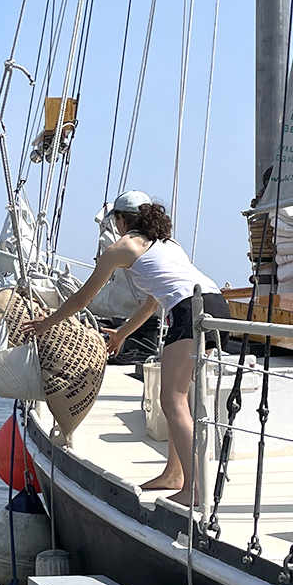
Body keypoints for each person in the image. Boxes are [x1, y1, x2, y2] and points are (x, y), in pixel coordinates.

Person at [29, 193, 231, 508]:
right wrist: (122, 333)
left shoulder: (121, 249)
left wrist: (46, 323)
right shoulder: (168, 244)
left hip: (189, 310)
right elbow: (152, 302)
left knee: (173, 400)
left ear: (121, 220)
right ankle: (174, 475)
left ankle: (196, 488)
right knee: (174, 399)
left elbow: (83, 298)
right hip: (215, 304)